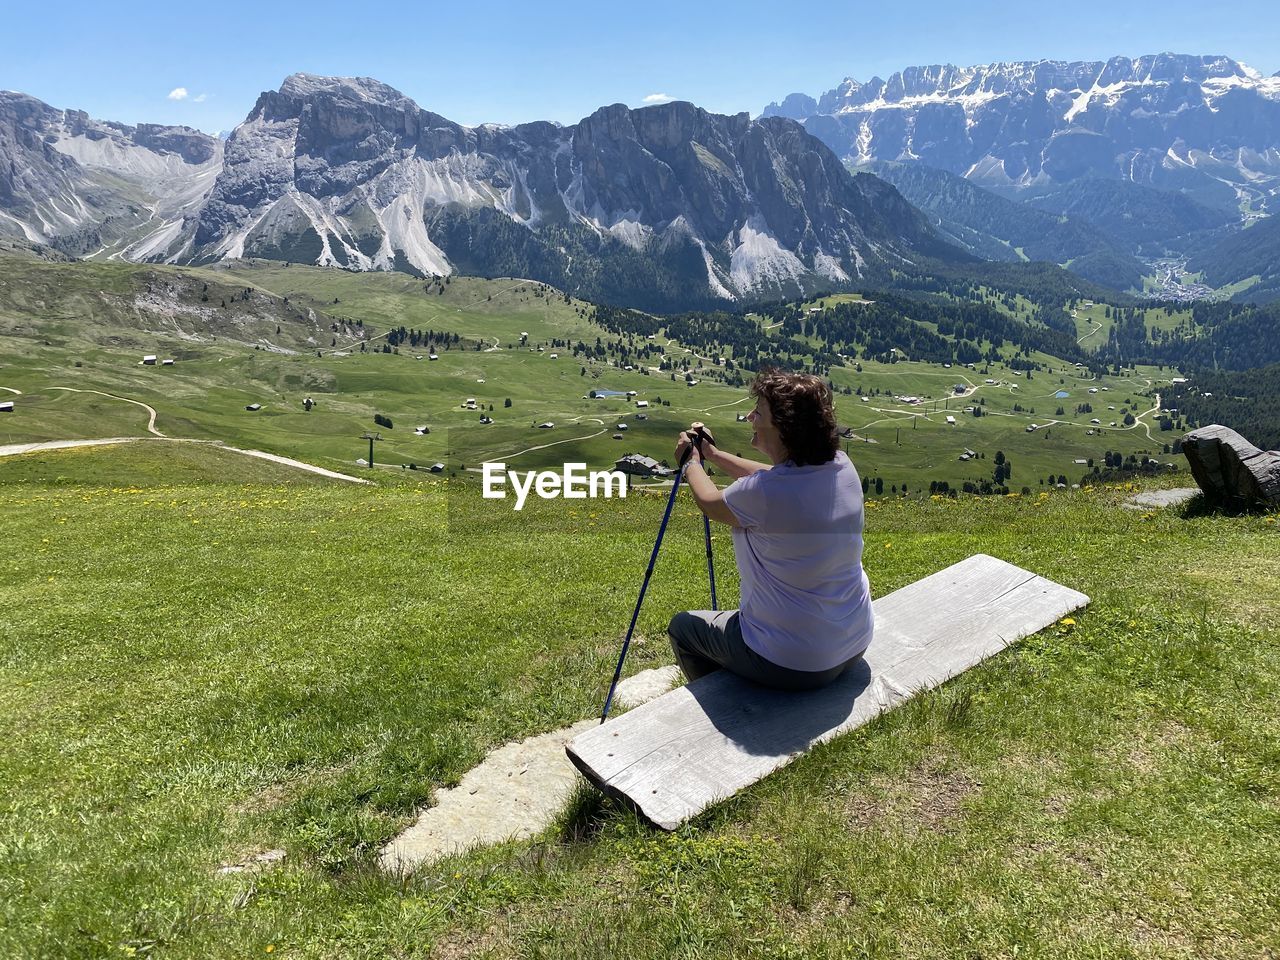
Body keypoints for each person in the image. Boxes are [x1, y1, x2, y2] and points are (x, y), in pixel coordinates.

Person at [668, 369, 873, 691]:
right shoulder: (841, 466)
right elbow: (773, 476)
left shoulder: (765, 494)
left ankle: (735, 706)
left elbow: (710, 502)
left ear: (784, 428)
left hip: (793, 661)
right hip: (854, 640)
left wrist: (690, 462)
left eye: (759, 412)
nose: (750, 416)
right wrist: (714, 455)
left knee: (683, 627)